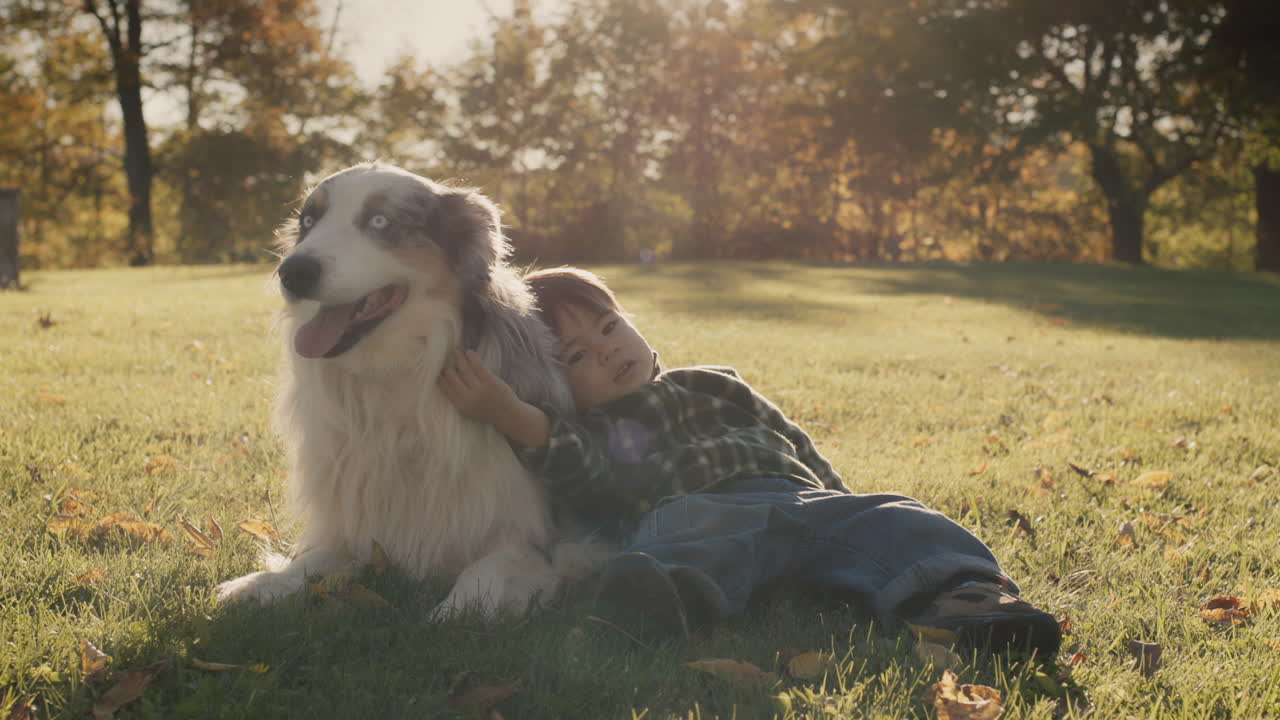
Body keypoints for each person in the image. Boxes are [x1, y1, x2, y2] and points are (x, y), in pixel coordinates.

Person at [437, 267, 1061, 658]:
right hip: (696, 511)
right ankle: (657, 605)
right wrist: (507, 411)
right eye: (576, 356)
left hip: (795, 499)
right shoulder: (596, 430)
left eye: (608, 327)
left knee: (899, 518)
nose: (604, 351)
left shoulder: (715, 382)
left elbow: (795, 440)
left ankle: (970, 599)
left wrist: (841, 499)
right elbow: (574, 464)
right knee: (677, 543)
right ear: (559, 383)